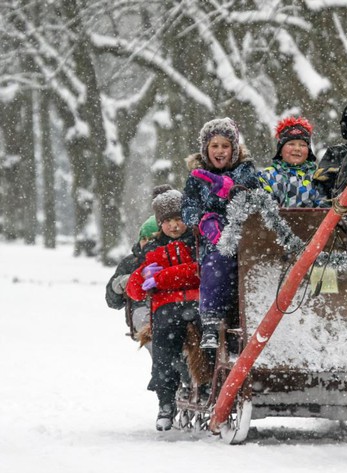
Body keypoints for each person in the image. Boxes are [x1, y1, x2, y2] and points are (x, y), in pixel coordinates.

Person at [126, 188, 200, 431]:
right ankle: (165, 400)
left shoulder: (196, 242)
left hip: (197, 301)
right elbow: (135, 290)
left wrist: (162, 278)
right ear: (160, 224)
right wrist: (142, 277)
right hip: (166, 307)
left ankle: (206, 383)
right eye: (167, 221)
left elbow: (198, 271)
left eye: (178, 219)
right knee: (163, 346)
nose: (174, 226)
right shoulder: (154, 248)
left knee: (206, 334)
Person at [182, 117, 259, 350]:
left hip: (247, 236)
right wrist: (203, 220)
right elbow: (187, 208)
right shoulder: (196, 178)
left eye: (225, 146)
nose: (219, 151)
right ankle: (211, 323)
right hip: (214, 241)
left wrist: (226, 190)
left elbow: (250, 198)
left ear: (234, 149)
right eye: (214, 146)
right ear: (206, 149)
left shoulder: (246, 171)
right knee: (217, 263)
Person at [105, 214, 160, 352]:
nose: (146, 243)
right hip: (140, 308)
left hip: (166, 306)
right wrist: (122, 283)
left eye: (151, 239)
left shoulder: (169, 256)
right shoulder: (130, 263)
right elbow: (113, 301)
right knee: (148, 324)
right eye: (144, 238)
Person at [258, 116, 326, 208]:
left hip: (312, 221)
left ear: (308, 151)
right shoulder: (267, 176)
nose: (297, 148)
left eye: (302, 145)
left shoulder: (317, 176)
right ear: (280, 151)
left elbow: (324, 206)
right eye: (291, 144)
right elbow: (265, 207)